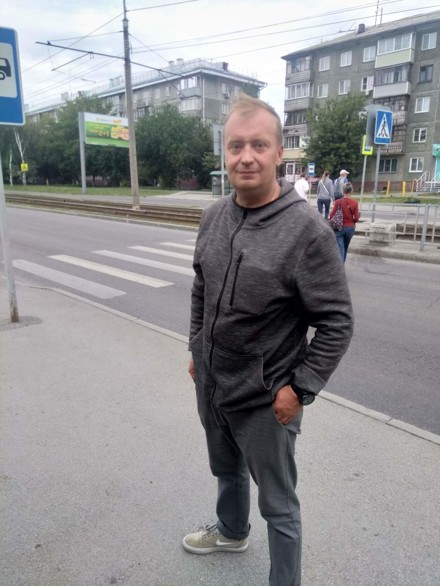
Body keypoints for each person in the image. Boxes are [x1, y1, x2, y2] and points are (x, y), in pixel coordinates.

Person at [184, 94, 354, 586]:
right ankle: (232, 531)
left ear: (280, 153)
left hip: (267, 396)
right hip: (213, 382)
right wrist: (196, 346)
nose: (246, 156)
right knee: (226, 468)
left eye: (258, 145)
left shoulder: (307, 232)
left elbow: (337, 322)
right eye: (236, 145)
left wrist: (299, 389)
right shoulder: (213, 216)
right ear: (225, 153)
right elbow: (201, 286)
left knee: (278, 504)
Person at [329, 182, 360, 263]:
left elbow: (331, 215)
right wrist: (352, 222)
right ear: (351, 191)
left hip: (339, 228)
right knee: (345, 248)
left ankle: (341, 267)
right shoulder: (355, 203)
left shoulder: (338, 202)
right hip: (350, 228)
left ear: (342, 192)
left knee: (340, 249)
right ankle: (342, 265)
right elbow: (356, 218)